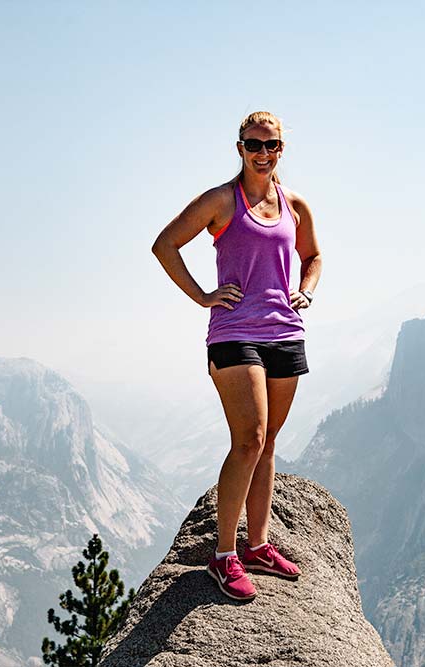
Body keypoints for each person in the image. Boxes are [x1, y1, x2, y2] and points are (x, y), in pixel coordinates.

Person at [151, 111, 322, 601]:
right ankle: (223, 555)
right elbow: (165, 245)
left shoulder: (295, 205)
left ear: (282, 149)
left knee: (267, 444)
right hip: (234, 333)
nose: (262, 153)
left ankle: (257, 544)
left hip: (285, 332)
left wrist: (305, 290)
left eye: (272, 146)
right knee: (248, 439)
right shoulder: (221, 200)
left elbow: (314, 256)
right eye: (253, 145)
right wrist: (203, 295)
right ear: (240, 148)